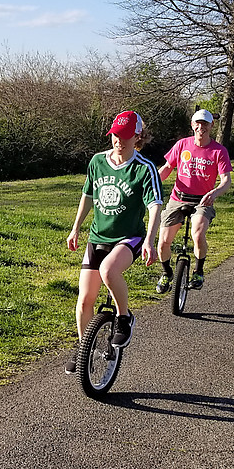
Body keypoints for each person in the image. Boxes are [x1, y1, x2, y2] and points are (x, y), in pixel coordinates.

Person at [65, 111, 162, 374]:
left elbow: (154, 206)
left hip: (129, 238)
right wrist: (75, 229)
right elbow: (87, 195)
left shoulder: (144, 168)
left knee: (109, 271)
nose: (119, 140)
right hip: (98, 237)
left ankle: (123, 317)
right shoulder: (97, 162)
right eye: (115, 135)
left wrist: (151, 241)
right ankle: (83, 345)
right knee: (85, 300)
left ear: (138, 136)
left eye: (125, 135)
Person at [155, 109, 232, 293]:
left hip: (202, 202)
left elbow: (226, 181)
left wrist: (214, 193)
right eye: (198, 123)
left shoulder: (218, 151)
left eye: (205, 124)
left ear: (211, 126)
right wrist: (153, 182)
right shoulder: (182, 145)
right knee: (164, 241)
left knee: (197, 234)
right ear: (192, 125)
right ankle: (167, 274)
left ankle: (198, 271)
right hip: (178, 198)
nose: (201, 127)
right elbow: (167, 167)